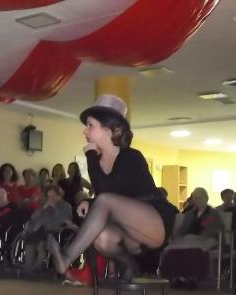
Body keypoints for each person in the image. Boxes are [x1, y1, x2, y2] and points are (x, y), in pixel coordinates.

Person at [58, 94, 176, 283]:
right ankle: (127, 264)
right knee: (100, 238)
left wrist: (91, 157)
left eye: (90, 125)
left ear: (110, 130)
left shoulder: (131, 157)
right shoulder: (98, 160)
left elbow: (109, 194)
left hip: (154, 221)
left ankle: (66, 257)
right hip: (127, 233)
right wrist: (89, 201)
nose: (85, 131)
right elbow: (109, 193)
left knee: (104, 201)